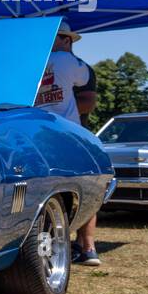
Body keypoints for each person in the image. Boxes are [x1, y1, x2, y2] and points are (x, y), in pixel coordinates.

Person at [34, 20, 101, 266]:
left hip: (41, 133)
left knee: (49, 190)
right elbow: (88, 102)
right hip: (69, 133)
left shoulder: (38, 63)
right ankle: (87, 248)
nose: (50, 43)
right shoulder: (70, 63)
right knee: (86, 187)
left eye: (55, 38)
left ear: (66, 40)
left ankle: (56, 244)